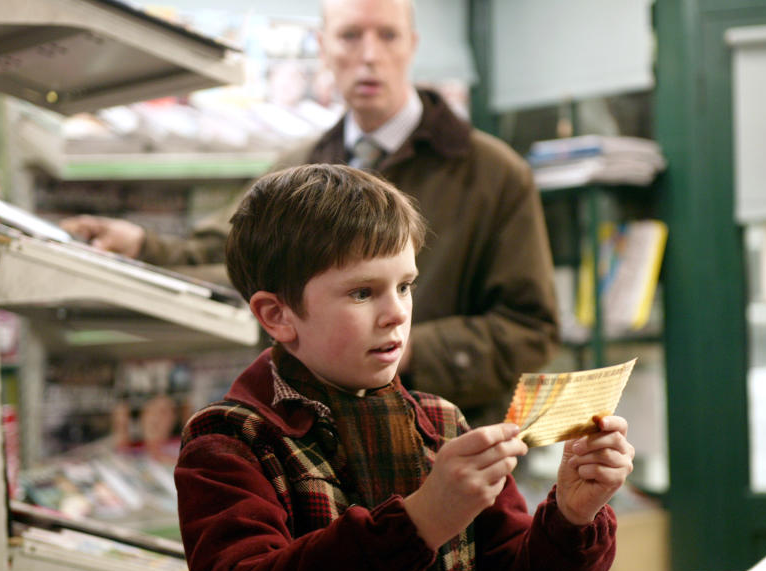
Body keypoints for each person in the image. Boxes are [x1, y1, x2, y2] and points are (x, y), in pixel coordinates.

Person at [174, 164, 635, 571]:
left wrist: (572, 515)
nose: (396, 313)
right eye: (361, 292)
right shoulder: (230, 440)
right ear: (277, 315)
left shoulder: (442, 423)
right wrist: (421, 521)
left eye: (405, 285)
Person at [61, 0, 559, 426]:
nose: (369, 55)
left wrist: (407, 350)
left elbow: (528, 329)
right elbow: (229, 250)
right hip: (316, 444)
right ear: (323, 49)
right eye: (349, 36)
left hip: (446, 444)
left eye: (387, 35)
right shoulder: (299, 165)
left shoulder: (493, 174)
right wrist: (141, 245)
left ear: (412, 44)